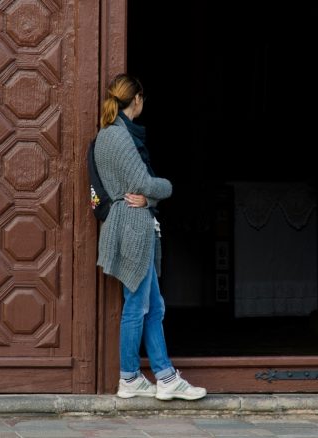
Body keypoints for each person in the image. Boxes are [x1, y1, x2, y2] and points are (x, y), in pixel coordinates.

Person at [93, 74, 206, 401]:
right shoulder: (118, 137)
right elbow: (144, 182)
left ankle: (164, 376)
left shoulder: (114, 135)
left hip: (135, 224)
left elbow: (142, 191)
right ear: (137, 99)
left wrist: (149, 197)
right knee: (137, 305)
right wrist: (165, 188)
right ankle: (129, 376)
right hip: (132, 229)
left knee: (153, 306)